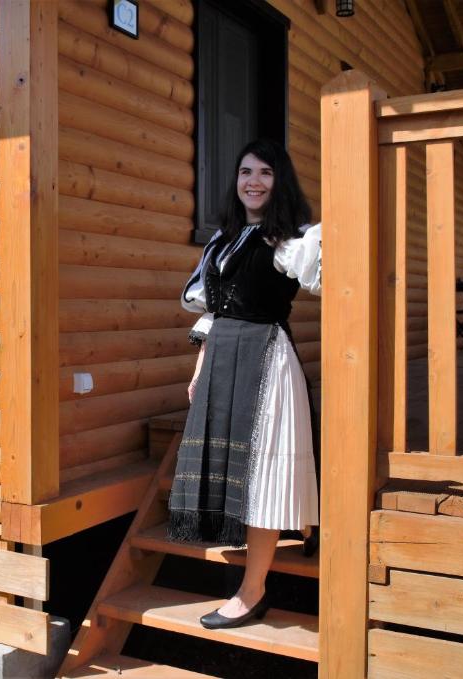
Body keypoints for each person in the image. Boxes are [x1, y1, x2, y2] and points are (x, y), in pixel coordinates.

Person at [168, 138, 321, 629]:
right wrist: (199, 369)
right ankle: (297, 536)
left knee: (262, 477)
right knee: (237, 469)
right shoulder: (223, 240)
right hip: (222, 361)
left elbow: (323, 276)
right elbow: (215, 311)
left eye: (265, 173)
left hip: (266, 361)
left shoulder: (287, 241)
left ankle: (252, 591)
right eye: (245, 172)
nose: (253, 181)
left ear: (280, 183)